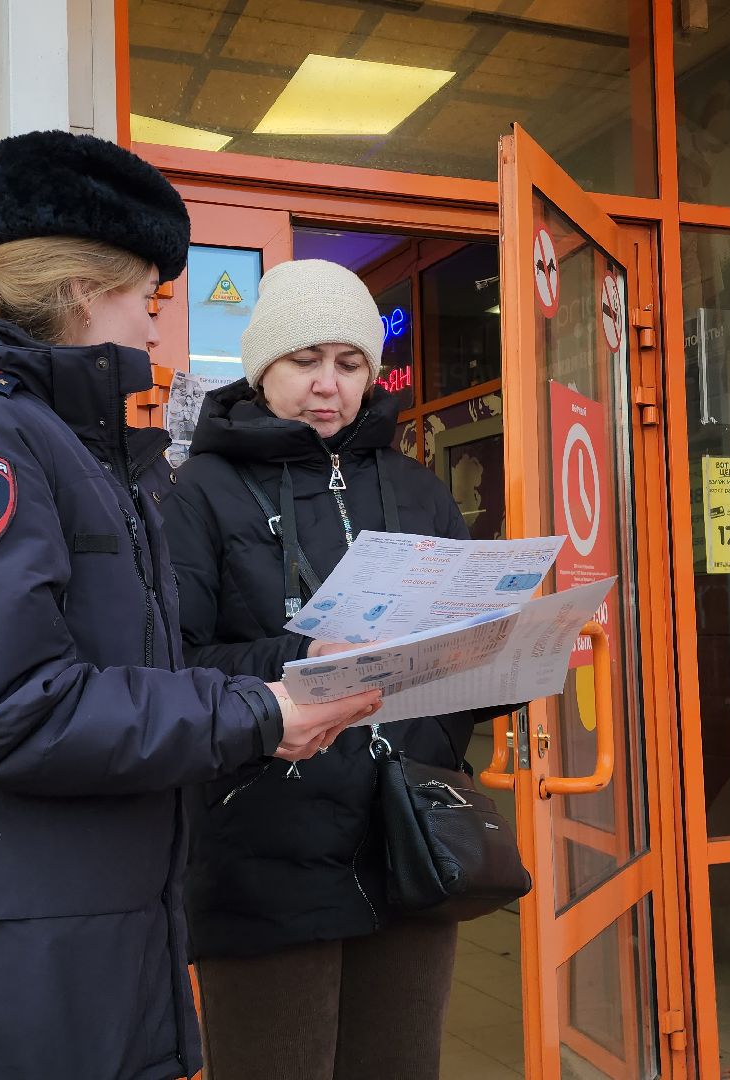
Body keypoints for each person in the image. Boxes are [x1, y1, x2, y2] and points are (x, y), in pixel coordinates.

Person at [0, 133, 380, 1080]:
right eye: (151, 296)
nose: (154, 327)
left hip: (90, 912)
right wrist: (260, 717)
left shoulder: (80, 448)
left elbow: (141, 673)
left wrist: (291, 671)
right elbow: (7, 710)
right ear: (78, 290)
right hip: (10, 937)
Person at [166, 259, 491, 1080]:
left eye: (349, 364)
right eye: (305, 361)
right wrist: (301, 658)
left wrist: (517, 655)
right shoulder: (198, 492)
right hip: (265, 843)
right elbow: (173, 664)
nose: (328, 386)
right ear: (261, 368)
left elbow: (462, 653)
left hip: (410, 837)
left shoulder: (418, 489)